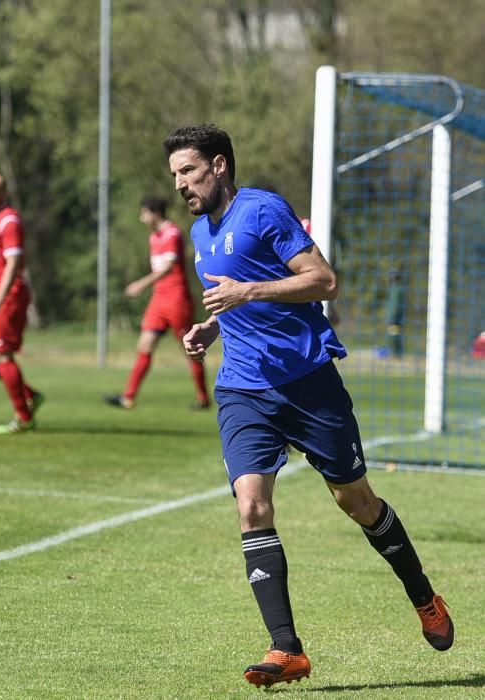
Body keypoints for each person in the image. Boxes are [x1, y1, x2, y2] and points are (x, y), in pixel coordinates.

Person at [163, 125, 454, 688]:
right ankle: (286, 649)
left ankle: (423, 596)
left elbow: (323, 281)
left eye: (188, 171)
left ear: (219, 166)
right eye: (174, 174)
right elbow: (240, 299)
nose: (180, 184)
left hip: (308, 384)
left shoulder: (264, 209)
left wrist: (245, 292)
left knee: (357, 501)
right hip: (244, 388)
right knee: (251, 506)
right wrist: (213, 326)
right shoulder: (201, 231)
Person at [104, 195, 209, 410]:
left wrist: (141, 284)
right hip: (159, 300)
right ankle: (128, 397)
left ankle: (203, 398)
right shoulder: (154, 237)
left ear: (155, 213)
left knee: (188, 347)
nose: (142, 217)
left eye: (144, 213)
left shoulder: (172, 233)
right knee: (144, 345)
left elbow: (169, 267)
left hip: (176, 299)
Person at [0, 173, 44, 435]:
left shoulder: (9, 221)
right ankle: (29, 394)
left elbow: (13, 264)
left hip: (7, 295)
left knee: (0, 354)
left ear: (3, 194)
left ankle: (24, 418)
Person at [385, 268, 406, 357]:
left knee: (394, 335)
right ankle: (396, 353)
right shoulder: (396, 288)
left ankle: (396, 353)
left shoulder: (396, 289)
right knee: (395, 334)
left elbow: (395, 305)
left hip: (395, 318)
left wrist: (392, 317)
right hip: (397, 317)